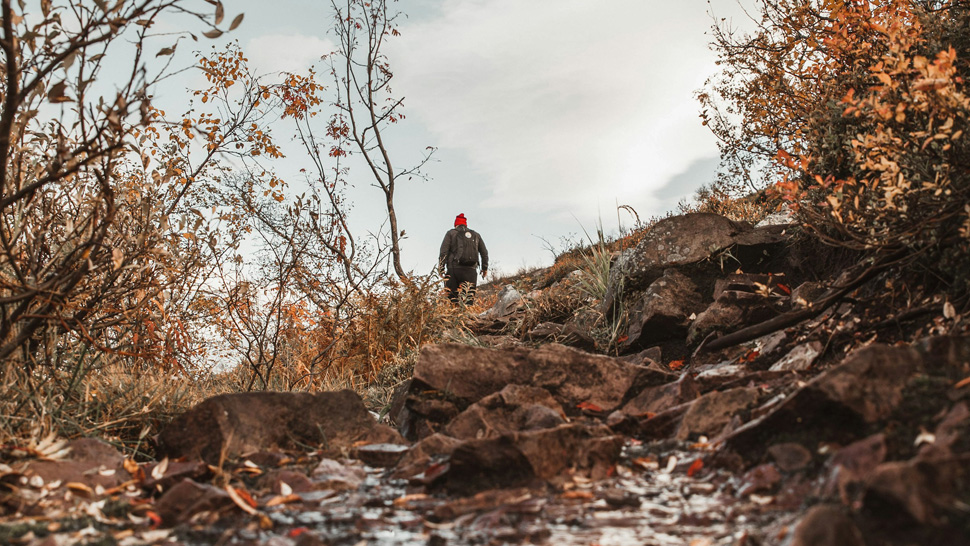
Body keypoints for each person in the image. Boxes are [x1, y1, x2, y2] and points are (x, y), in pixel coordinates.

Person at [438, 213, 488, 304]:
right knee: (468, 298)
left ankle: (454, 316)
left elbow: (443, 252)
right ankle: (467, 316)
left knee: (452, 298)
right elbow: (484, 253)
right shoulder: (476, 235)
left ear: (456, 224)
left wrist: (441, 268)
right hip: (471, 270)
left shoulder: (451, 233)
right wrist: (484, 268)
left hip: (454, 269)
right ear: (465, 224)